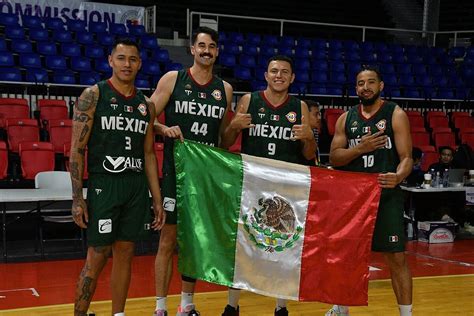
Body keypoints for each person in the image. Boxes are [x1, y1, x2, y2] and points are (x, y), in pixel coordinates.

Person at [70, 39, 165, 316]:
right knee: (97, 256)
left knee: (126, 253)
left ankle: (118, 314)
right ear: (110, 60)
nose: (127, 64)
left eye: (132, 59)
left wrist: (156, 199)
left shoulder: (146, 105)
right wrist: (77, 198)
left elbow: (149, 154)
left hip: (135, 187)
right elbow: (76, 150)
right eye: (121, 58)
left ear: (140, 64)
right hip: (105, 185)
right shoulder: (94, 95)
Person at [220, 55, 317, 316]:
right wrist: (233, 126)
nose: (279, 75)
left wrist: (310, 138)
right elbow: (226, 143)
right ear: (266, 75)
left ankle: (280, 307)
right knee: (242, 245)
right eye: (274, 71)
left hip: (286, 189)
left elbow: (309, 154)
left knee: (284, 248)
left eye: (285, 72)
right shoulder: (250, 100)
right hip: (253, 187)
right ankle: (232, 305)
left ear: (292, 78)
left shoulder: (300, 107)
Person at [150, 26, 233, 316]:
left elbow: (223, 139)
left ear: (217, 51)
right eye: (201, 45)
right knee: (168, 239)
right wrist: (163, 127)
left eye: (211, 46)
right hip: (176, 172)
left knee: (195, 240)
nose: (206, 50)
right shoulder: (173, 79)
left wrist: (235, 128)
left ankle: (187, 305)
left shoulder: (225, 90)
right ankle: (160, 307)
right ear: (192, 49)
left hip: (205, 176)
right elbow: (144, 117)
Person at [327, 66, 413, 316]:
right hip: (354, 199)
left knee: (396, 259)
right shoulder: (346, 118)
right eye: (361, 83)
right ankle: (340, 308)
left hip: (386, 196)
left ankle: (406, 314)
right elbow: (335, 156)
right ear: (356, 88)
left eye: (371, 82)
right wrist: (359, 148)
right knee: (347, 257)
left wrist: (398, 176)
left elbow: (407, 157)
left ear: (381, 85)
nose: (366, 87)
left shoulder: (395, 114)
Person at [305, 99, 322, 165]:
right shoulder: (297, 132)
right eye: (316, 114)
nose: (319, 117)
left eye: (319, 114)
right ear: (305, 114)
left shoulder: (315, 131)